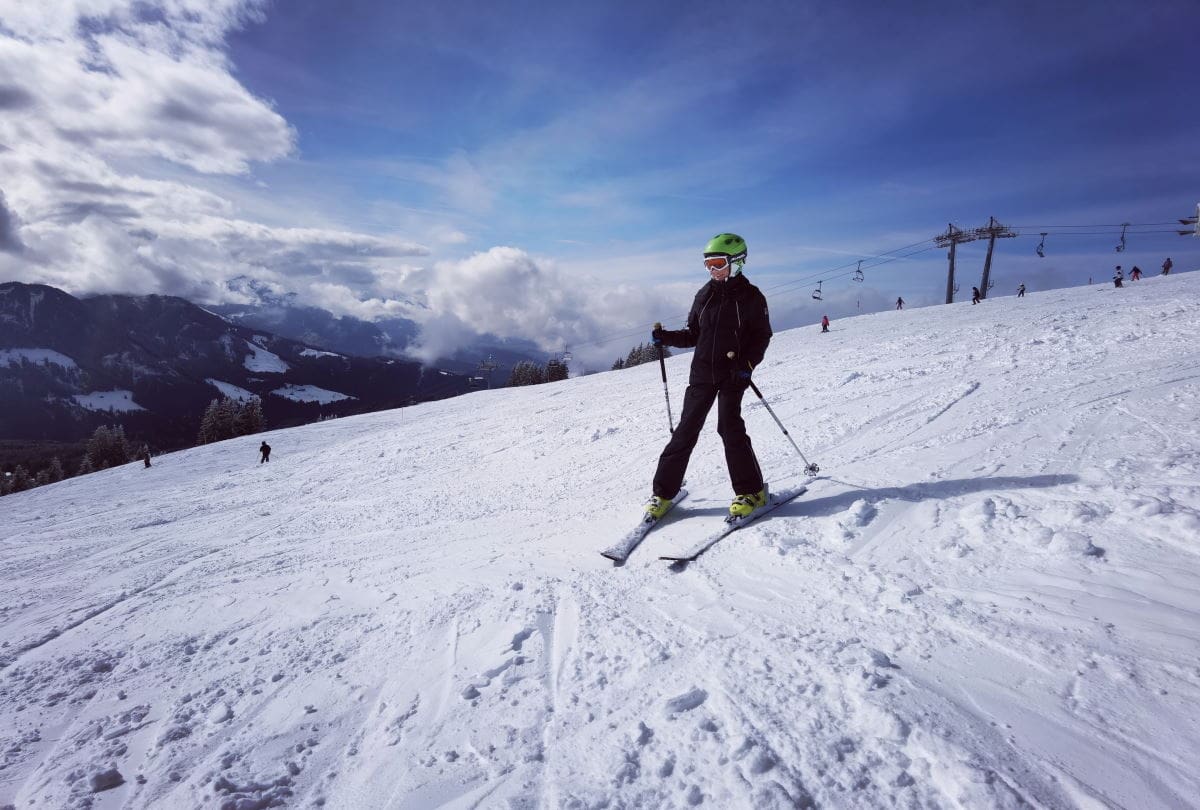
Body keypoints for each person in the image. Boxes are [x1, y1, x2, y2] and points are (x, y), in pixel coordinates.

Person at [646, 233, 772, 520]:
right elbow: (694, 334)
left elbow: (762, 336)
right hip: (702, 372)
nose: (712, 270)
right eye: (708, 265)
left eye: (718, 264)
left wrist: (747, 365)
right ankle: (664, 493)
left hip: (732, 374)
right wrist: (666, 337)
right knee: (685, 431)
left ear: (737, 262)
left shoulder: (751, 297)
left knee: (729, 428)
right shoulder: (705, 294)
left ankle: (752, 491)